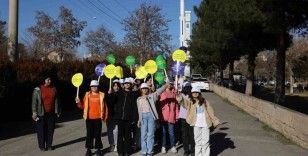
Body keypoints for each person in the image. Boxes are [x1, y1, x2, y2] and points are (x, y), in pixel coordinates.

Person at [177, 86, 220, 156]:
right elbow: (183, 103)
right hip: (196, 124)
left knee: (205, 142)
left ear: (199, 93)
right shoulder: (190, 102)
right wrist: (179, 97)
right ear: (191, 93)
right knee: (197, 142)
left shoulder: (205, 101)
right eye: (193, 92)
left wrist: (215, 120)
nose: (195, 93)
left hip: (205, 124)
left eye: (197, 92)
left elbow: (211, 112)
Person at [75, 80, 108, 156]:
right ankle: (88, 149)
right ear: (90, 87)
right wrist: (78, 102)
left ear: (98, 87)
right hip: (89, 118)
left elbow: (105, 107)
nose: (94, 87)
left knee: (98, 134)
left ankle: (98, 149)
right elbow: (82, 106)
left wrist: (105, 117)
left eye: (95, 86)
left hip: (98, 118)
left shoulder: (101, 95)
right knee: (89, 134)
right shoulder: (87, 95)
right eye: (92, 86)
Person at [137, 81, 169, 156]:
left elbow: (159, 91)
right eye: (143, 88)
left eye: (146, 88)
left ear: (148, 89)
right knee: (143, 135)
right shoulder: (138, 99)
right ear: (141, 90)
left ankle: (150, 151)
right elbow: (139, 111)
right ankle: (144, 151)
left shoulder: (152, 96)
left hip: (151, 116)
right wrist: (139, 120)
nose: (144, 90)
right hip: (143, 117)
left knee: (150, 134)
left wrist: (165, 85)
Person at [32, 75, 60, 151]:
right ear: (44, 80)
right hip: (41, 113)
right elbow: (34, 102)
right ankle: (42, 146)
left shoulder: (53, 89)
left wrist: (57, 111)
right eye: (48, 80)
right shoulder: (37, 90)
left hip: (51, 113)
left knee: (50, 130)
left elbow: (57, 100)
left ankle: (49, 145)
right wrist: (34, 112)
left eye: (50, 80)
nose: (49, 81)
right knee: (41, 130)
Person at [114, 78, 139, 156]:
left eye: (128, 83)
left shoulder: (133, 94)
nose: (127, 84)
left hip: (128, 118)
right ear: (123, 85)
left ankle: (128, 151)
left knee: (128, 135)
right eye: (125, 83)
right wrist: (111, 93)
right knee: (120, 135)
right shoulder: (119, 93)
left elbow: (135, 107)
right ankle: (120, 151)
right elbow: (112, 101)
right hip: (120, 118)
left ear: (130, 85)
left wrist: (134, 118)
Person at [159, 82, 179, 153]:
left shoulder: (174, 93)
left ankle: (173, 146)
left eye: (171, 83)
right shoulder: (162, 92)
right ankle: (163, 146)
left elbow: (176, 106)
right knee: (163, 132)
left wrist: (177, 115)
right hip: (163, 115)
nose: (169, 85)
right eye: (168, 83)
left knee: (171, 132)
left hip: (171, 115)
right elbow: (161, 103)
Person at [178, 82, 195, 156]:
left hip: (191, 117)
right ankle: (186, 150)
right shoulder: (181, 95)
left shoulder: (193, 96)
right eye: (186, 87)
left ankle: (193, 150)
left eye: (189, 87)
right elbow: (178, 100)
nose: (188, 89)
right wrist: (177, 93)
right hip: (183, 118)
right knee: (185, 135)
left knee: (192, 134)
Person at [106, 79, 121, 152]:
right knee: (110, 131)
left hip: (118, 115)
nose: (116, 87)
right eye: (114, 86)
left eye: (117, 86)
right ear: (112, 87)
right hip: (110, 115)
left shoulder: (122, 94)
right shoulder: (109, 94)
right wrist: (109, 95)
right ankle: (112, 144)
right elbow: (109, 103)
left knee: (116, 131)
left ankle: (117, 144)